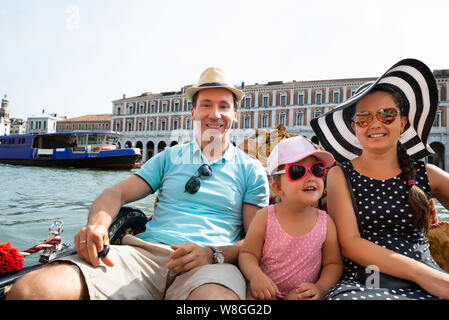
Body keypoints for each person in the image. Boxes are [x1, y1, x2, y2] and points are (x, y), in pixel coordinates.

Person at [7, 67, 270, 300]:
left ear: (235, 114)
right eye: (206, 105)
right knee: (32, 291)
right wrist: (98, 226)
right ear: (193, 112)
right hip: (144, 256)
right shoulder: (169, 157)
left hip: (212, 268)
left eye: (224, 106)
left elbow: (252, 243)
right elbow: (116, 192)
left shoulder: (252, 171)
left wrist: (212, 254)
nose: (215, 114)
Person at [310, 58, 449, 300]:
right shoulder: (340, 175)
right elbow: (350, 243)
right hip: (365, 281)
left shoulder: (427, 174)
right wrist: (423, 275)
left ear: (402, 121)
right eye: (364, 118)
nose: (375, 124)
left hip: (431, 282)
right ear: (355, 127)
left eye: (387, 115)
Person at [238, 136, 343, 300]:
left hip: (301, 294)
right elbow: (248, 254)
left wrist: (320, 288)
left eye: (317, 169)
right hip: (265, 290)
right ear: (278, 187)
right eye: (297, 171)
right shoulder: (265, 217)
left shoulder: (325, 222)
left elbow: (333, 264)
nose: (310, 177)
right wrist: (256, 277)